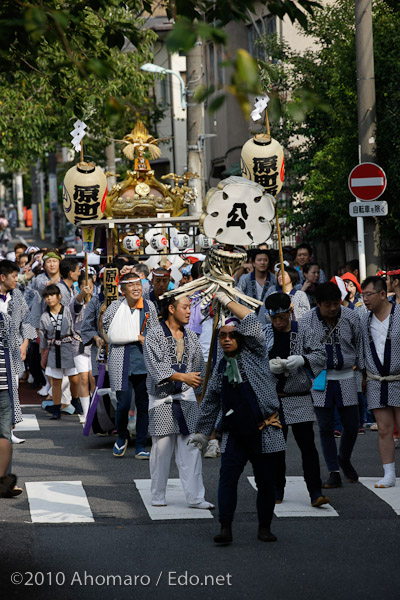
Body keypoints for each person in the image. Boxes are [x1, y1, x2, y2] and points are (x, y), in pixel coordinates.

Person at [194, 293, 286, 545]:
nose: (225, 340)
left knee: (266, 481)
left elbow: (252, 322)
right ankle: (225, 527)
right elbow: (211, 399)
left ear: (241, 338)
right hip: (235, 432)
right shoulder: (221, 366)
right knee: (227, 478)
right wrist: (202, 432)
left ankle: (264, 527)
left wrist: (224, 299)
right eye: (222, 336)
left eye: (231, 335)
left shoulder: (255, 352)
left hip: (266, 427)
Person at [143, 295, 214, 509]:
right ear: (172, 309)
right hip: (162, 398)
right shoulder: (154, 334)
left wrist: (200, 394)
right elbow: (155, 368)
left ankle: (195, 498)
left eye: (190, 308)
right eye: (185, 307)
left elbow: (199, 369)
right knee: (161, 451)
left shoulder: (191, 336)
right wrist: (184, 377)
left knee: (191, 448)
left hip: (186, 398)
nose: (188, 312)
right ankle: (157, 496)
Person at [264, 293, 329, 507]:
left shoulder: (304, 331)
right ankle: (276, 489)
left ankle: (315, 491)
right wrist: (267, 366)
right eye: (275, 319)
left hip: (299, 396)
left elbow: (321, 355)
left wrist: (303, 359)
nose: (279, 322)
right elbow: (253, 362)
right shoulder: (264, 334)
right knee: (275, 448)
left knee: (307, 447)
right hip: (273, 399)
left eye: (282, 317)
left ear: (290, 312)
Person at [300, 282, 362, 488]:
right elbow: (301, 351)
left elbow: (360, 346)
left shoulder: (352, 316)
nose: (333, 308)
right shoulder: (306, 320)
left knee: (352, 425)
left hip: (347, 375)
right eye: (328, 304)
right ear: (317, 303)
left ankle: (344, 457)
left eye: (336, 303)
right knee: (325, 428)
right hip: (319, 376)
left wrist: (363, 373)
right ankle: (333, 471)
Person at [102, 272, 158, 458]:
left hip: (144, 360)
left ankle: (141, 445)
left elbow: (156, 332)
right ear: (123, 290)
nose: (136, 288)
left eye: (138, 285)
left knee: (143, 405)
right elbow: (107, 330)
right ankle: (122, 437)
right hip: (121, 359)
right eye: (131, 285)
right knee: (123, 404)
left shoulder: (149, 306)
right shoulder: (115, 307)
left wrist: (145, 338)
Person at [360, 276, 400, 488]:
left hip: (399, 377)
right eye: (362, 295)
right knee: (384, 428)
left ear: (383, 294)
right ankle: (389, 473)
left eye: (369, 294)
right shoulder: (364, 320)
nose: (365, 299)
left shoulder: (399, 314)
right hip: (376, 379)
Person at [39, 284, 80, 420]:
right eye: (46, 296)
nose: (49, 298)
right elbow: (43, 339)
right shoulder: (44, 317)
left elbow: (75, 328)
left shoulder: (68, 311)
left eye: (52, 295)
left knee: (74, 379)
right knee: (56, 382)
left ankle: (75, 399)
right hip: (52, 351)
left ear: (59, 296)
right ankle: (56, 408)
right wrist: (43, 356)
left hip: (69, 348)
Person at [0, 309, 23, 497]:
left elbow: (14, 354)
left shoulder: (5, 320)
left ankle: (5, 482)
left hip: (4, 388)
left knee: (6, 435)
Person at [70, 273, 95, 424]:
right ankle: (86, 413)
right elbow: (77, 305)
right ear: (79, 287)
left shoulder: (98, 301)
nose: (88, 289)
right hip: (79, 343)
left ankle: (95, 410)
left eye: (90, 286)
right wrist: (82, 294)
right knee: (84, 378)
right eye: (84, 286)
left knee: (93, 378)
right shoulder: (75, 300)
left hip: (95, 345)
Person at [237, 248, 276, 322]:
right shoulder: (245, 278)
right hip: (248, 318)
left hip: (268, 319)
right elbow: (238, 297)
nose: (262, 263)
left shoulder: (274, 279)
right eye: (259, 260)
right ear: (254, 263)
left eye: (265, 260)